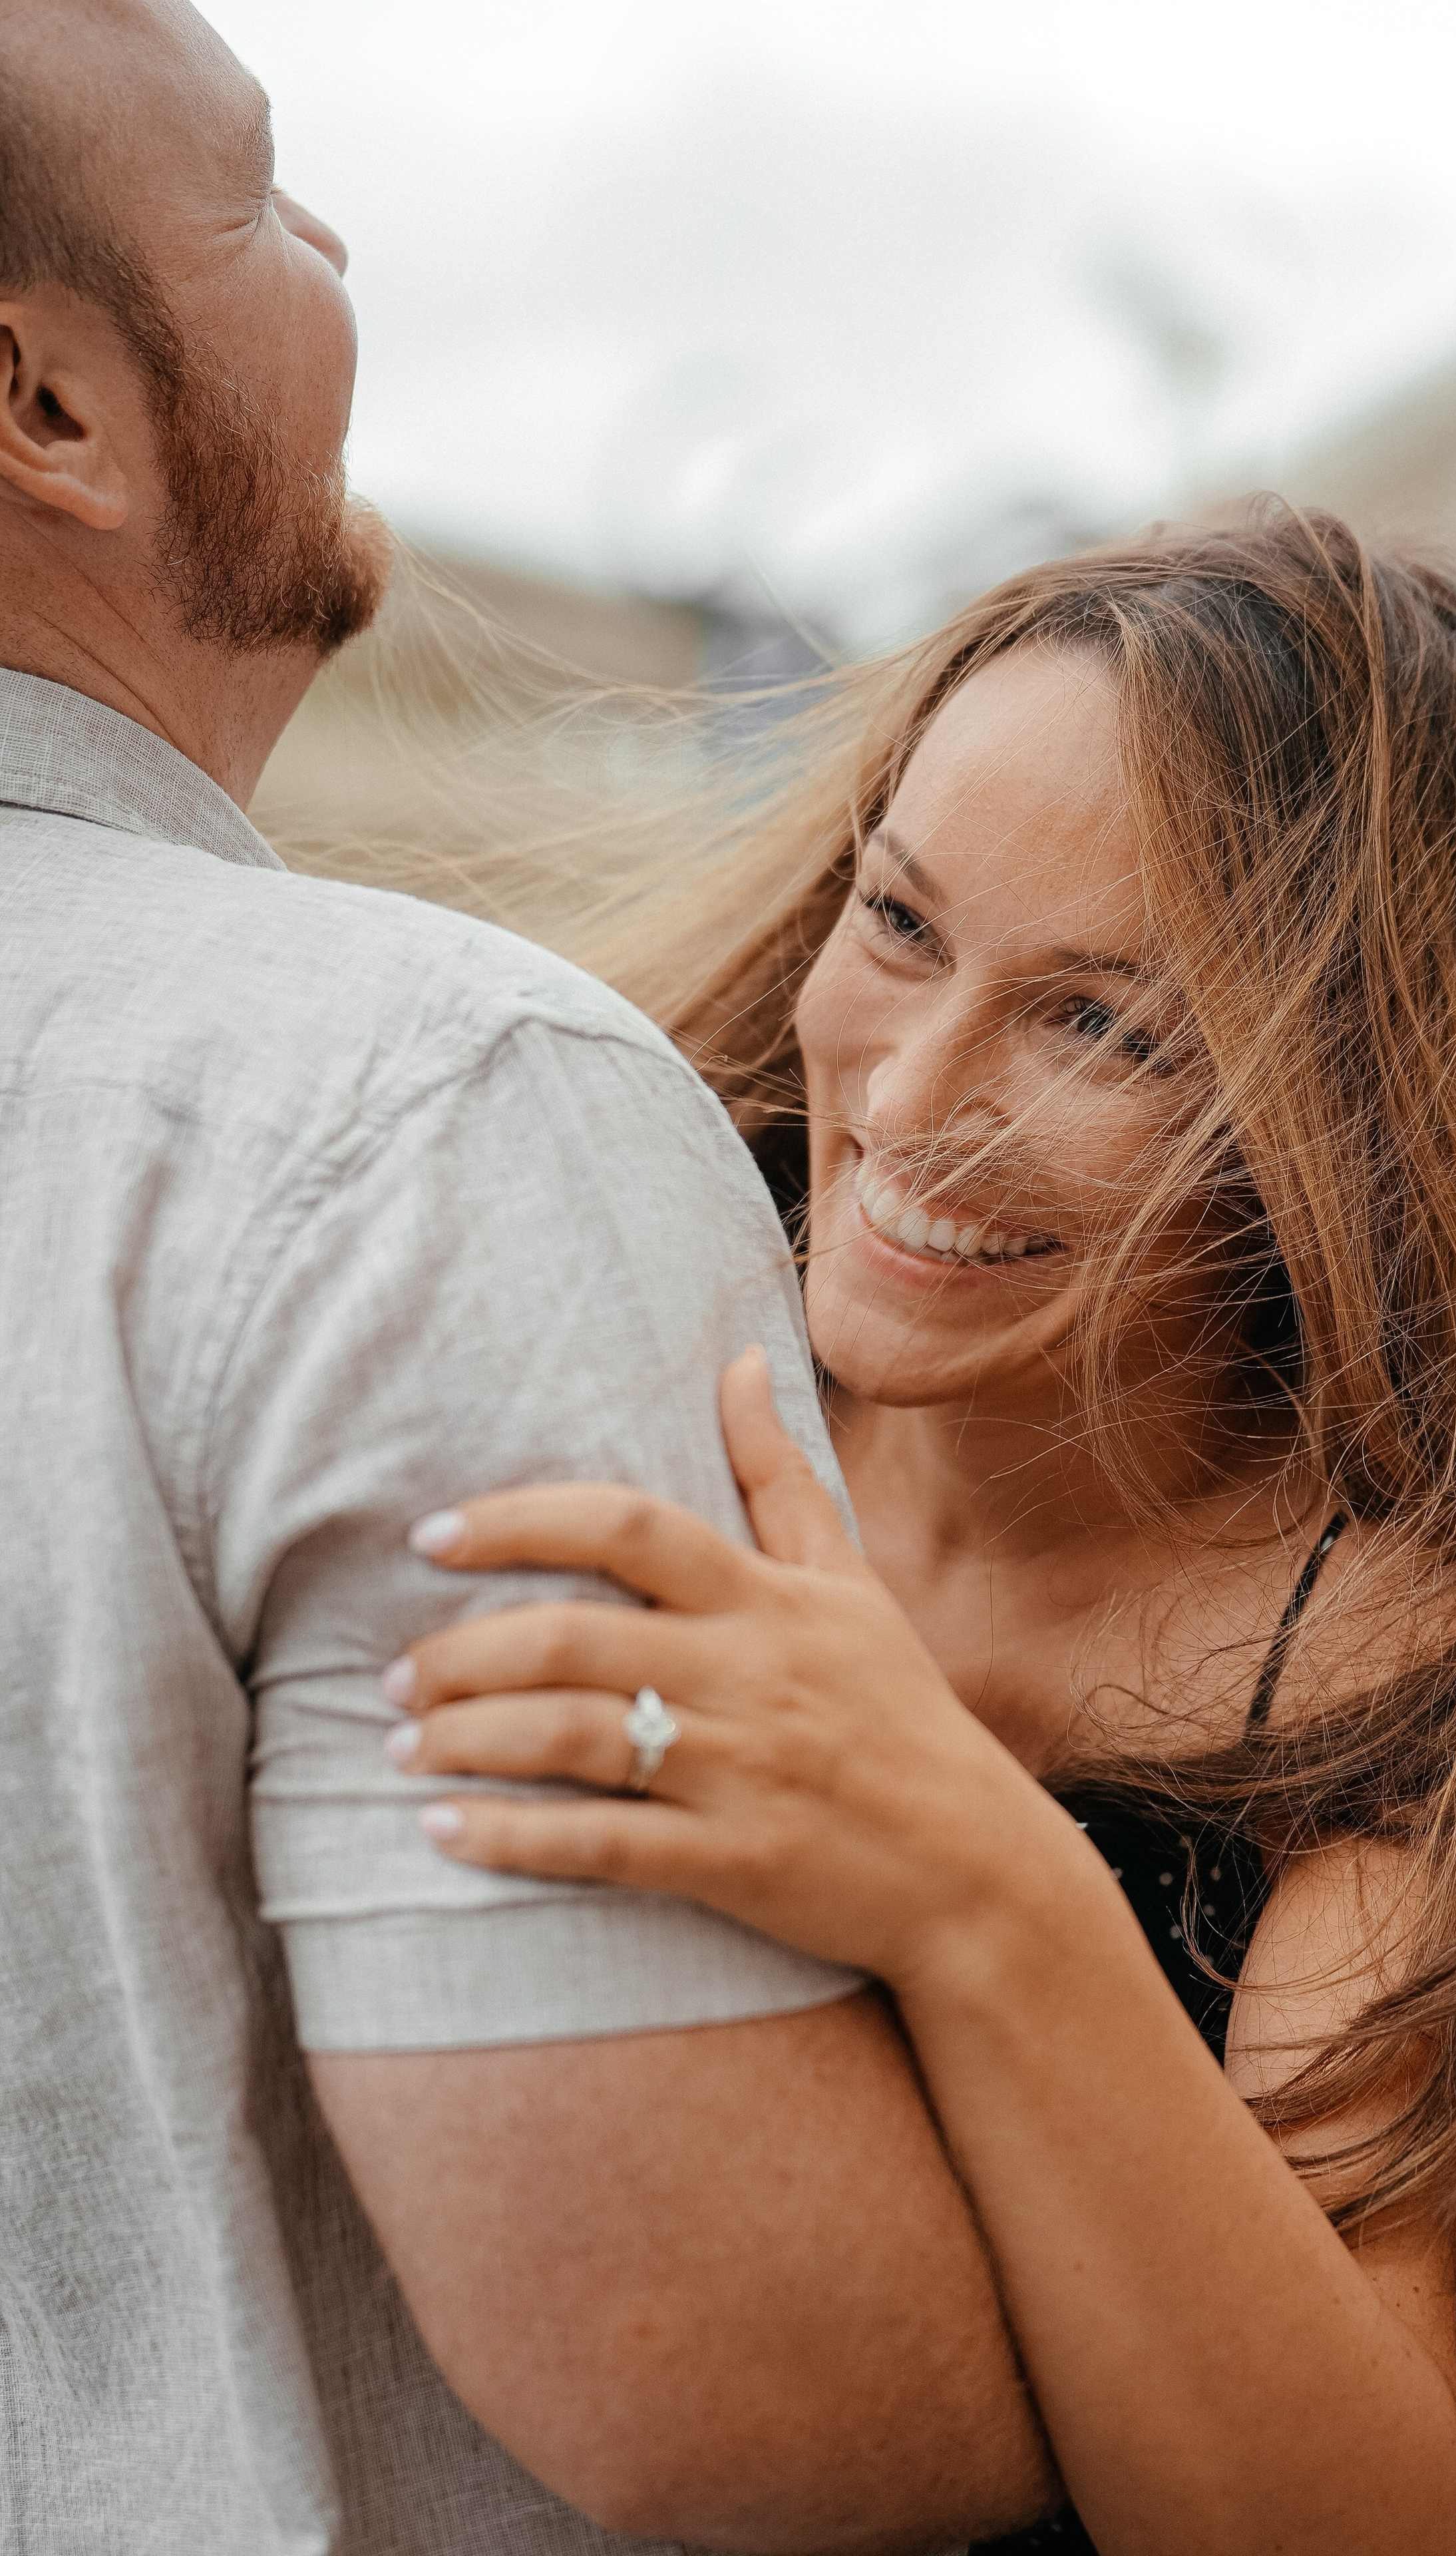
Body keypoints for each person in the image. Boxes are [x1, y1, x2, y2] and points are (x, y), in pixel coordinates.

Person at [0, 5, 1063, 2549]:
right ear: (46, 408)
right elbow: (774, 2416)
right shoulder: (421, 1113)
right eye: (259, 201)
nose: (341, 255)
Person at [379, 514, 1456, 2556]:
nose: (906, 1097)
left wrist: (979, 1886)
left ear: (1336, 1119)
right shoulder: (615, 1280)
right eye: (901, 923)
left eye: (1103, 1028)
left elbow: (1375, 2523)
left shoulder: (1443, 1631)